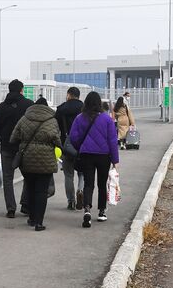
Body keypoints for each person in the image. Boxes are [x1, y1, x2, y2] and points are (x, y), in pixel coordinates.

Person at [10, 96, 61, 231]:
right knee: (41, 191)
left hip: (27, 160)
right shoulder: (52, 120)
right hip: (46, 161)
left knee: (31, 188)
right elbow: (57, 140)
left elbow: (13, 138)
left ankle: (31, 218)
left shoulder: (24, 118)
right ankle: (39, 222)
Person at [69, 91, 119, 228]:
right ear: (99, 103)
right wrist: (115, 160)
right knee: (102, 184)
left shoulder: (80, 118)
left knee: (88, 183)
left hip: (87, 155)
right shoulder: (107, 119)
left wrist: (81, 146)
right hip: (104, 156)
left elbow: (73, 137)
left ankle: (87, 209)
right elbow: (112, 141)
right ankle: (102, 212)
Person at [0, 79, 34, 218]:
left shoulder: (2, 107)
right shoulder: (29, 105)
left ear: (9, 90)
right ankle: (26, 205)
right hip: (24, 147)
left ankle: (11, 209)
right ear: (21, 90)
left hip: (6, 148)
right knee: (29, 176)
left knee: (7, 179)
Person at [55, 86, 85, 211]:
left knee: (68, 175)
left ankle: (71, 201)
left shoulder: (61, 109)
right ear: (78, 96)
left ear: (68, 95)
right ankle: (81, 191)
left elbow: (55, 127)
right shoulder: (84, 108)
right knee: (82, 173)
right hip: (82, 146)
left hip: (66, 146)